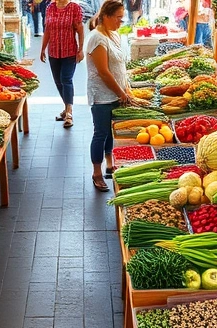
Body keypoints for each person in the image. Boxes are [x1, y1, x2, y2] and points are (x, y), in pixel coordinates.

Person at [86, 0, 132, 192]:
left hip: (115, 93)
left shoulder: (112, 34)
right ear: (106, 16)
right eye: (118, 18)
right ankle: (97, 173)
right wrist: (121, 93)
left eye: (122, 18)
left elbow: (119, 65)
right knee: (100, 133)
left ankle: (110, 164)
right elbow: (103, 72)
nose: (120, 22)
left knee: (109, 131)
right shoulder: (97, 38)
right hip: (102, 95)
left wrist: (125, 86)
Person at [41, 0, 85, 128]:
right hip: (53, 51)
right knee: (58, 81)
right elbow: (48, 30)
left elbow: (80, 30)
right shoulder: (50, 8)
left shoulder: (74, 8)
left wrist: (81, 49)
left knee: (66, 79)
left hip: (69, 51)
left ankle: (69, 114)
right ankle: (66, 108)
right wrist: (43, 48)